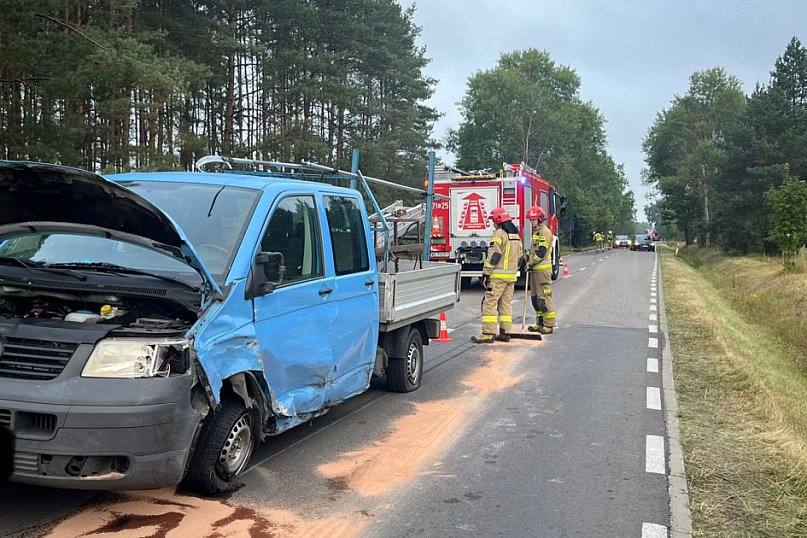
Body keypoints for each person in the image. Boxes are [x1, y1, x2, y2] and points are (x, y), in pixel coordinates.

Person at [471, 207, 523, 344]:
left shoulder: (499, 234)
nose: (493, 224)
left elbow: (494, 255)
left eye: (493, 221)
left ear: (498, 220)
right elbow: (520, 257)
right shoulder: (516, 236)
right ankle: (506, 333)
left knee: (489, 303)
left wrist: (486, 273)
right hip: (511, 277)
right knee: (505, 304)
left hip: (498, 277)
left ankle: (488, 333)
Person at [525, 206, 556, 334]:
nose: (531, 222)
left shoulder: (545, 232)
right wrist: (527, 257)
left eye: (533, 220)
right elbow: (534, 250)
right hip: (535, 271)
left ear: (539, 219)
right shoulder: (536, 232)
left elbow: (541, 252)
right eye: (530, 220)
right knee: (535, 299)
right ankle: (540, 323)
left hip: (543, 272)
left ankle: (549, 324)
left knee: (544, 298)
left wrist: (531, 263)